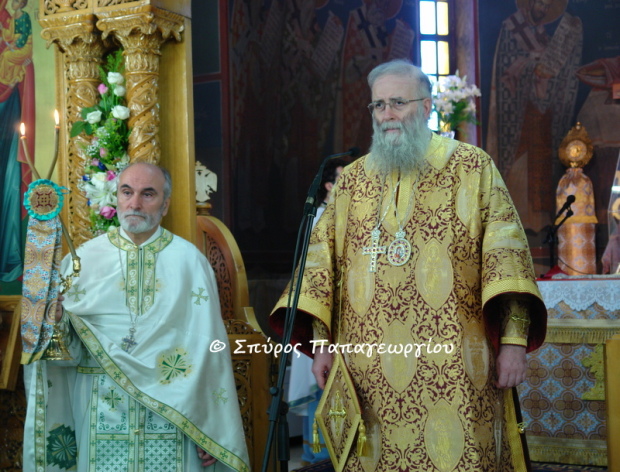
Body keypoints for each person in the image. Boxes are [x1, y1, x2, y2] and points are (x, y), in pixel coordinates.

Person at [271, 59, 547, 471]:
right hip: (366, 369)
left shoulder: (472, 167)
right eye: (378, 105)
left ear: (427, 106)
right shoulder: (352, 181)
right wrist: (322, 346)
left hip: (455, 365)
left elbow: (506, 260)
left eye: (398, 102)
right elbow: (320, 269)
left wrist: (512, 343)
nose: (387, 114)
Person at [23, 162, 250, 471]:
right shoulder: (83, 260)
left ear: (165, 204)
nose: (135, 204)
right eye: (127, 192)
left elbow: (207, 348)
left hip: (172, 410)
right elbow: (66, 354)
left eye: (148, 194)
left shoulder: (190, 262)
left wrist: (208, 425)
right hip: (101, 402)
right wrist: (58, 320)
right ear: (116, 197)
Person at [486, 0, 582, 233]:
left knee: (542, 161)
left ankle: (540, 219)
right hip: (520, 113)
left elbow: (559, 73)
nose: (543, 9)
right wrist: (530, 67)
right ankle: (517, 215)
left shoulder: (545, 35)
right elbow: (505, 67)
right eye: (540, 4)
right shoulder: (512, 27)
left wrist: (544, 72)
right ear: (529, 4)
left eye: (548, 6)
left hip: (543, 111)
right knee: (521, 160)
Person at [287, 157, 346, 465]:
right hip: (319, 312)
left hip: (339, 317)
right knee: (320, 384)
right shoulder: (320, 219)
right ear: (329, 185)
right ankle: (318, 457)